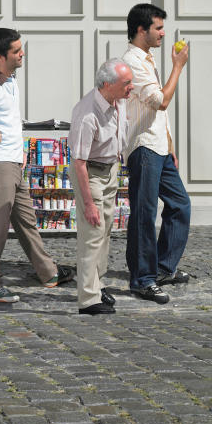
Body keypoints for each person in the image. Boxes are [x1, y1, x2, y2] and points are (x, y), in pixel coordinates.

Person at [0, 28, 74, 303]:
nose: (22, 54)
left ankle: (48, 273)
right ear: (0, 56)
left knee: (26, 221)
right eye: (16, 51)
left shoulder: (10, 80)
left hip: (13, 163)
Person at [121, 3, 191, 304]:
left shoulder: (147, 59)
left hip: (160, 148)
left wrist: (170, 145)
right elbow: (160, 101)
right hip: (144, 148)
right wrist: (178, 67)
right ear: (141, 30)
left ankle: (162, 268)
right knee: (144, 214)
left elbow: (158, 113)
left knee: (180, 205)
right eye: (158, 28)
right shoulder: (132, 62)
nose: (163, 33)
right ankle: (142, 279)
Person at [68, 59, 133, 316]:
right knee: (92, 234)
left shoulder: (118, 101)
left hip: (109, 170)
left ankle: (98, 284)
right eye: (126, 83)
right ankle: (87, 299)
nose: (131, 87)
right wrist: (89, 203)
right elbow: (79, 163)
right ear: (107, 84)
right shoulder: (87, 114)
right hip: (91, 174)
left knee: (105, 232)